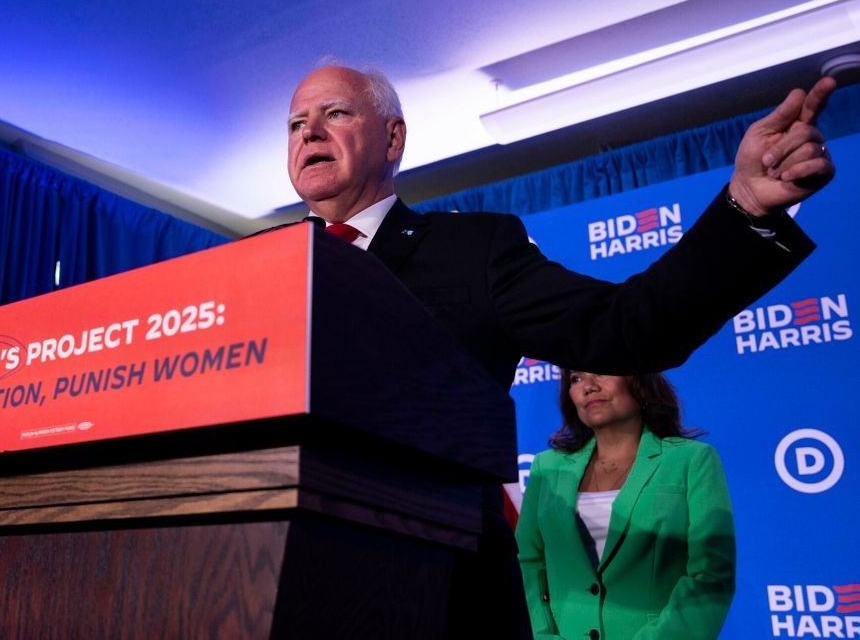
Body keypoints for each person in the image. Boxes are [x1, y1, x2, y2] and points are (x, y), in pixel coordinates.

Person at [282, 64, 833, 638]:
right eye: (297, 123)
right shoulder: (256, 266)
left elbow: (629, 327)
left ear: (393, 138)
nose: (310, 133)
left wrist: (746, 206)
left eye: (336, 114)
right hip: (273, 575)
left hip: (438, 587)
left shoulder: (472, 250)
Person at [516, 371, 735, 640]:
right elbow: (526, 564)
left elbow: (711, 574)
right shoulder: (545, 468)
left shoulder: (692, 460)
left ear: (639, 381)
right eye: (576, 379)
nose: (588, 387)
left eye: (603, 371)